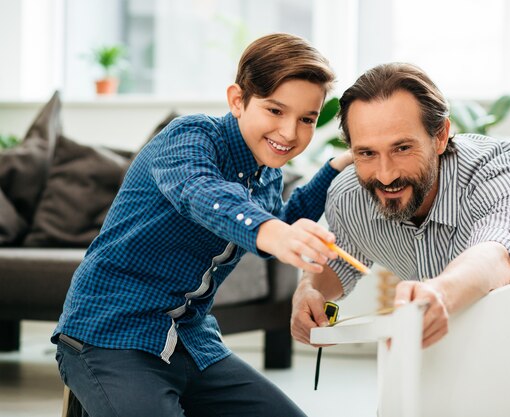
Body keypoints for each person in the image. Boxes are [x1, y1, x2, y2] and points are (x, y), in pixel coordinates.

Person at [53, 33, 352, 417]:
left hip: (192, 342)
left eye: (306, 119)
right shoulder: (189, 136)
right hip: (109, 335)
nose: (290, 133)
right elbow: (200, 192)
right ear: (237, 100)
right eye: (276, 111)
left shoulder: (267, 175)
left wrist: (337, 167)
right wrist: (275, 233)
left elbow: (279, 223)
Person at [291, 62, 510, 349]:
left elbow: (497, 253)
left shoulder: (504, 166)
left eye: (402, 148)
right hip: (454, 352)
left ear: (440, 136)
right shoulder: (348, 196)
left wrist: (440, 292)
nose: (385, 174)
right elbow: (340, 262)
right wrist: (308, 291)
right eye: (366, 153)